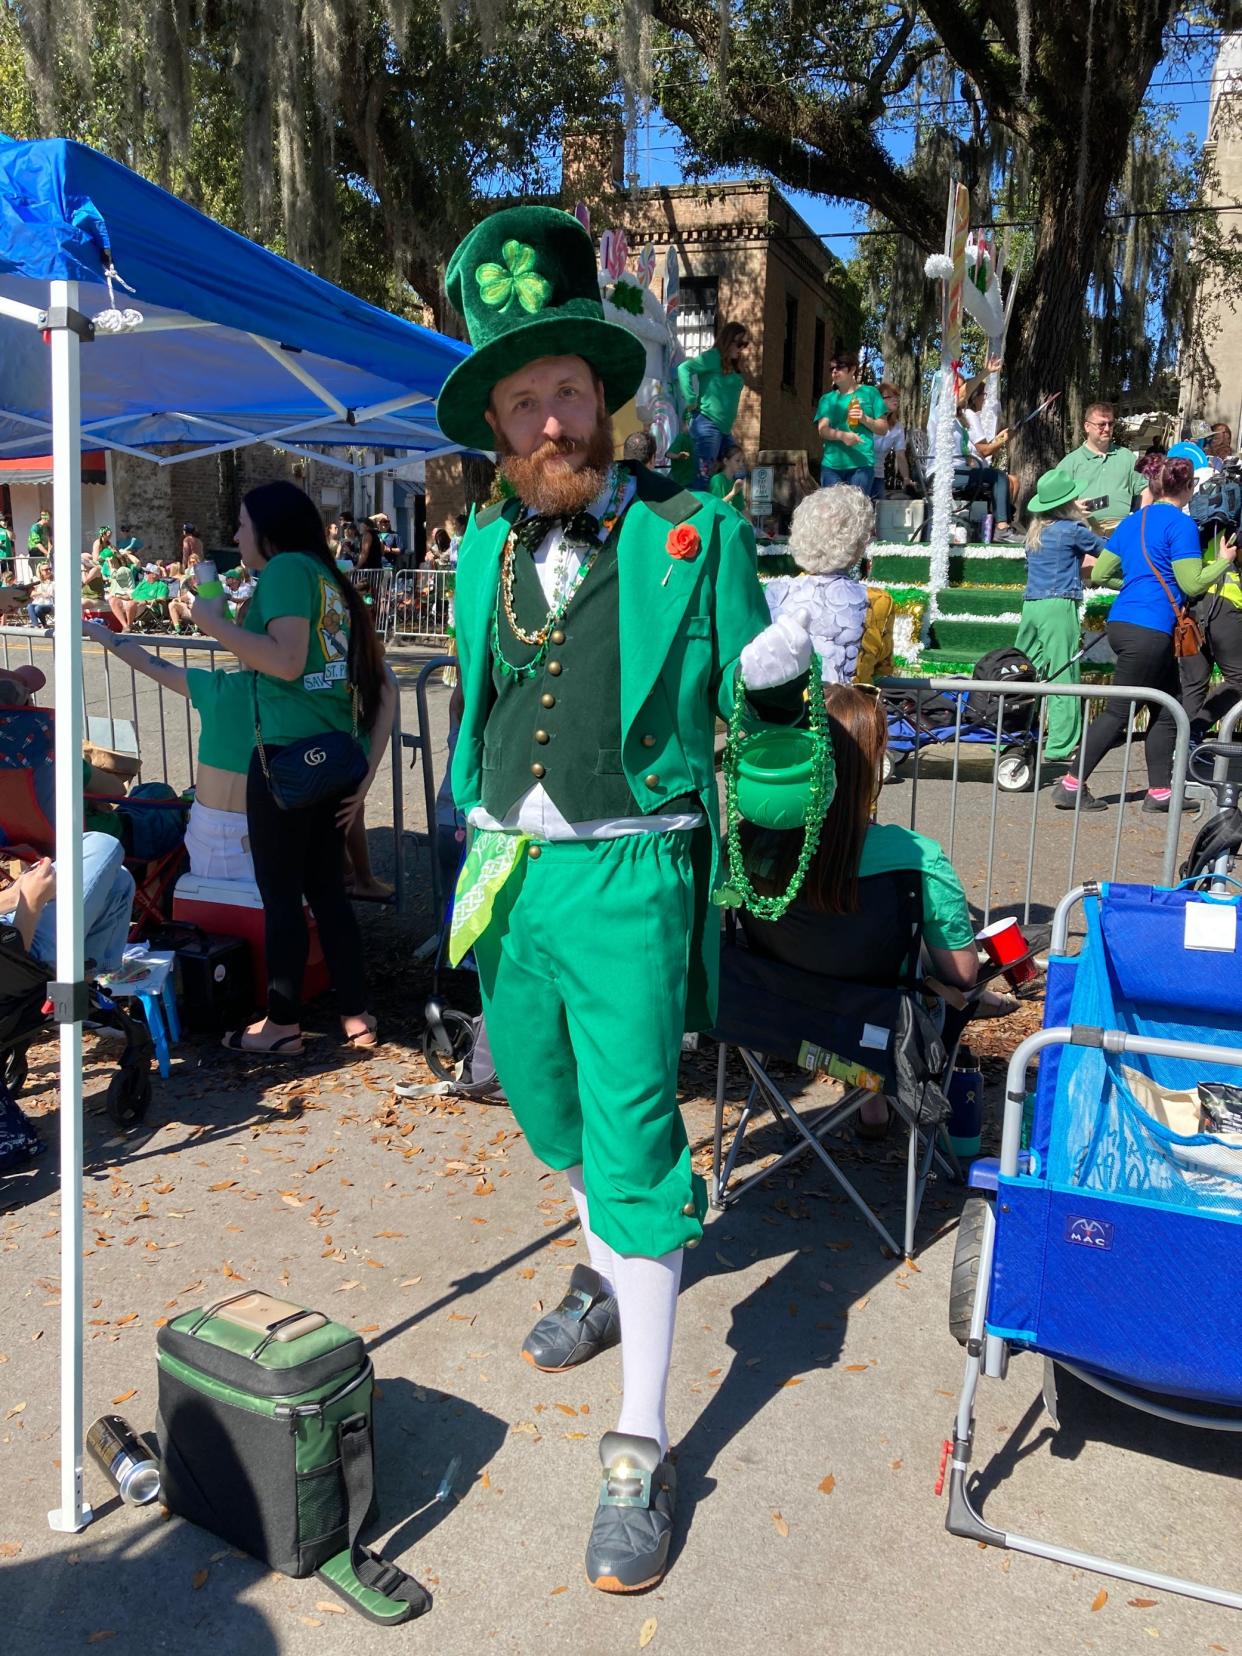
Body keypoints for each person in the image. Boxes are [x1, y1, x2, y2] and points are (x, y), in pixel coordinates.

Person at [435, 203, 810, 1593]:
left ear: (605, 399)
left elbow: (759, 712)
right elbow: (486, 702)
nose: (547, 421)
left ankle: (641, 1445)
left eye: (566, 392)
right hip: (509, 879)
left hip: (632, 871)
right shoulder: (476, 551)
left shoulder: (691, 531)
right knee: (548, 1115)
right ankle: (606, 1263)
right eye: (521, 398)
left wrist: (778, 726)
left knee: (640, 1147)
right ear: (496, 425)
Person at [190, 481, 387, 1055]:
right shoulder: (327, 577)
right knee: (326, 890)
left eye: (243, 524)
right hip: (332, 755)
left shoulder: (285, 572)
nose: (234, 535)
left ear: (269, 532)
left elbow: (283, 659)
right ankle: (357, 1015)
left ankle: (281, 1025)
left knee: (281, 895)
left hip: (284, 759)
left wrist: (213, 625)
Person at [740, 682, 977, 1133]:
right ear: (873, 762)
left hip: (771, 1015)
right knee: (934, 985)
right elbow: (962, 972)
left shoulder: (749, 843)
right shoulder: (916, 856)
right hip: (878, 1028)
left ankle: (869, 1103)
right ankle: (877, 1101)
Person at [1053, 457, 1237, 813]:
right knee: (1119, 712)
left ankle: (1160, 793)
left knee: (1169, 708)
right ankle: (1071, 785)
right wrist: (1223, 560)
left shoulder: (1133, 521)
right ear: (1186, 488)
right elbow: (1191, 582)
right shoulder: (1180, 525)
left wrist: (1136, 585)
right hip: (1150, 629)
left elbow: (1102, 573)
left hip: (1123, 622)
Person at [1015, 470, 1106, 763]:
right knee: (1063, 674)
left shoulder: (1034, 533)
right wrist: (1087, 518)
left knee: (1023, 671)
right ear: (1067, 502)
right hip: (1058, 605)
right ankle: (1061, 745)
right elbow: (1107, 551)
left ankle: (1009, 734)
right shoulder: (1072, 530)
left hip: (1032, 605)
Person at [763, 486, 871, 683]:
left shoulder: (774, 593)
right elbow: (881, 666)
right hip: (849, 710)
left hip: (786, 710)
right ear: (857, 544)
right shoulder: (877, 601)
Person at [677, 320, 752, 486]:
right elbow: (684, 369)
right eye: (739, 344)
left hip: (724, 430)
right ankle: (696, 510)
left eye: (744, 345)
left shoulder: (733, 366)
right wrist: (690, 399)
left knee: (739, 473)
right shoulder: (713, 357)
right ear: (728, 340)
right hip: (707, 425)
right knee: (702, 476)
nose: (742, 349)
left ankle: (722, 505)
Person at [1061, 403, 1145, 533]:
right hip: (1084, 533)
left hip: (1123, 533)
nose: (1106, 429)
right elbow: (1055, 502)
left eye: (1110, 424)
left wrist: (1140, 521)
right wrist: (1071, 508)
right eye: (1101, 424)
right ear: (1087, 426)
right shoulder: (1070, 462)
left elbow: (1144, 489)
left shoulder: (1127, 457)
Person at [814, 351, 886, 490]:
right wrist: (843, 436)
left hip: (862, 464)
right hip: (831, 466)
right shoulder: (827, 399)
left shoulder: (870, 393)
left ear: (853, 369)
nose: (835, 371)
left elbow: (883, 428)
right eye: (832, 369)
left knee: (857, 510)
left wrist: (864, 419)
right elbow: (822, 430)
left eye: (839, 367)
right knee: (832, 511)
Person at [855, 555, 896, 685]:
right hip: (856, 697)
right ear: (867, 567)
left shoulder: (793, 591)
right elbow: (883, 667)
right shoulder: (880, 599)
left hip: (800, 698)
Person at [872, 382, 912, 499]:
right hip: (860, 471)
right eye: (890, 397)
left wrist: (906, 478)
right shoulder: (868, 420)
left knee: (879, 511)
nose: (896, 400)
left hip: (879, 475)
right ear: (879, 400)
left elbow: (900, 455)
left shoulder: (898, 427)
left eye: (897, 397)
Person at [708, 448, 748, 516]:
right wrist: (733, 493)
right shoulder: (717, 480)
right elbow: (717, 507)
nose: (741, 464)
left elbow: (742, 509)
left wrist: (751, 525)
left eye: (742, 461)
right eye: (737, 461)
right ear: (726, 461)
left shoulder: (735, 481)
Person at [26, 562, 54, 631]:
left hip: (50, 605)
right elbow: (31, 594)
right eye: (45, 569)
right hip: (38, 603)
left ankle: (44, 625)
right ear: (40, 571)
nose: (48, 571)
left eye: (49, 569)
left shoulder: (54, 582)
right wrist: (41, 593)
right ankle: (36, 627)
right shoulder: (37, 582)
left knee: (38, 608)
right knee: (30, 606)